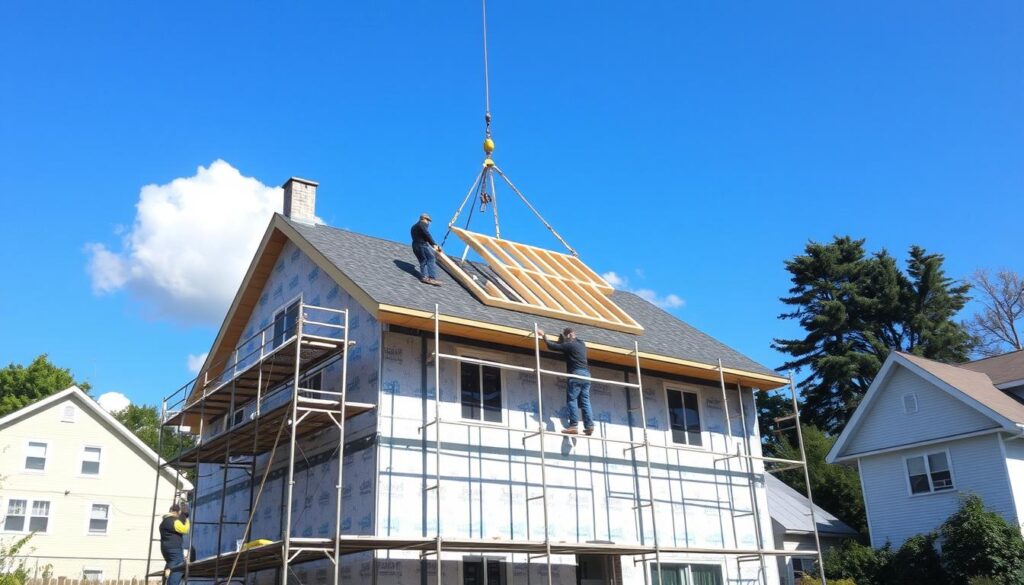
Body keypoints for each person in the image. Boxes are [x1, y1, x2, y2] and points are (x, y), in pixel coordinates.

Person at [536, 326, 594, 435]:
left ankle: (573, 426)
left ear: (568, 336)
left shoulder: (569, 345)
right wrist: (565, 338)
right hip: (587, 376)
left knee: (572, 400)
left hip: (576, 374)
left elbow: (551, 346)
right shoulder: (582, 344)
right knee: (585, 401)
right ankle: (589, 426)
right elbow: (568, 341)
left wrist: (544, 335)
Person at [159, 502, 190, 585]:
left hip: (167, 549)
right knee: (179, 567)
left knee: (170, 567)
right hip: (174, 549)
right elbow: (184, 529)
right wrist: (186, 519)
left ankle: (166, 581)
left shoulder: (164, 521)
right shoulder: (173, 520)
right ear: (176, 512)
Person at [410, 213, 443, 286]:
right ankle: (431, 278)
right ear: (424, 219)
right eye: (428, 221)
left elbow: (424, 236)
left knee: (423, 260)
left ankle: (424, 277)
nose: (429, 223)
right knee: (431, 258)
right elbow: (427, 234)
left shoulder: (414, 227)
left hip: (415, 245)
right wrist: (434, 244)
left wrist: (434, 245)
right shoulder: (422, 224)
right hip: (422, 245)